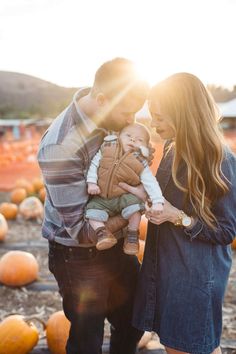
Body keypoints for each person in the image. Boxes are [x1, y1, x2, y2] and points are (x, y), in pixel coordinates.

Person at [37, 58, 149, 354]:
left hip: (117, 244)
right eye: (127, 113)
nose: (131, 121)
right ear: (101, 100)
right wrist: (134, 207)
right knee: (87, 341)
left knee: (134, 320)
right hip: (78, 254)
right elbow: (80, 230)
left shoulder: (111, 116)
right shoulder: (60, 147)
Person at [120, 73, 236, 354]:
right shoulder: (174, 149)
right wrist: (141, 193)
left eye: (161, 118)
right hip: (168, 268)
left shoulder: (220, 161)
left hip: (195, 277)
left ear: (183, 114)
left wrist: (177, 217)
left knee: (191, 346)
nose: (154, 125)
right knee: (186, 345)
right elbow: (163, 198)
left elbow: (226, 231)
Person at [85, 122, 164, 255]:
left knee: (136, 209)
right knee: (91, 211)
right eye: (128, 136)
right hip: (101, 197)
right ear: (118, 136)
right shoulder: (107, 148)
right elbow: (94, 164)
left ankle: (132, 235)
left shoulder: (140, 162)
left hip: (124, 197)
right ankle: (103, 233)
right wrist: (92, 183)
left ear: (144, 147)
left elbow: (151, 182)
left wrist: (158, 201)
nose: (133, 140)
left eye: (140, 140)